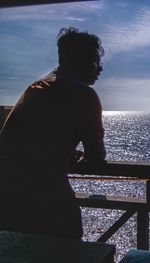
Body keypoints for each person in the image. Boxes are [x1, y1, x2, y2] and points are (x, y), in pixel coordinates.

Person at [0, 27, 106, 239]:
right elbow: (96, 157)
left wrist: (63, 151)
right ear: (84, 61)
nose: (99, 67)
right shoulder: (84, 95)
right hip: (47, 205)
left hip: (7, 201)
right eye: (95, 59)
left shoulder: (34, 89)